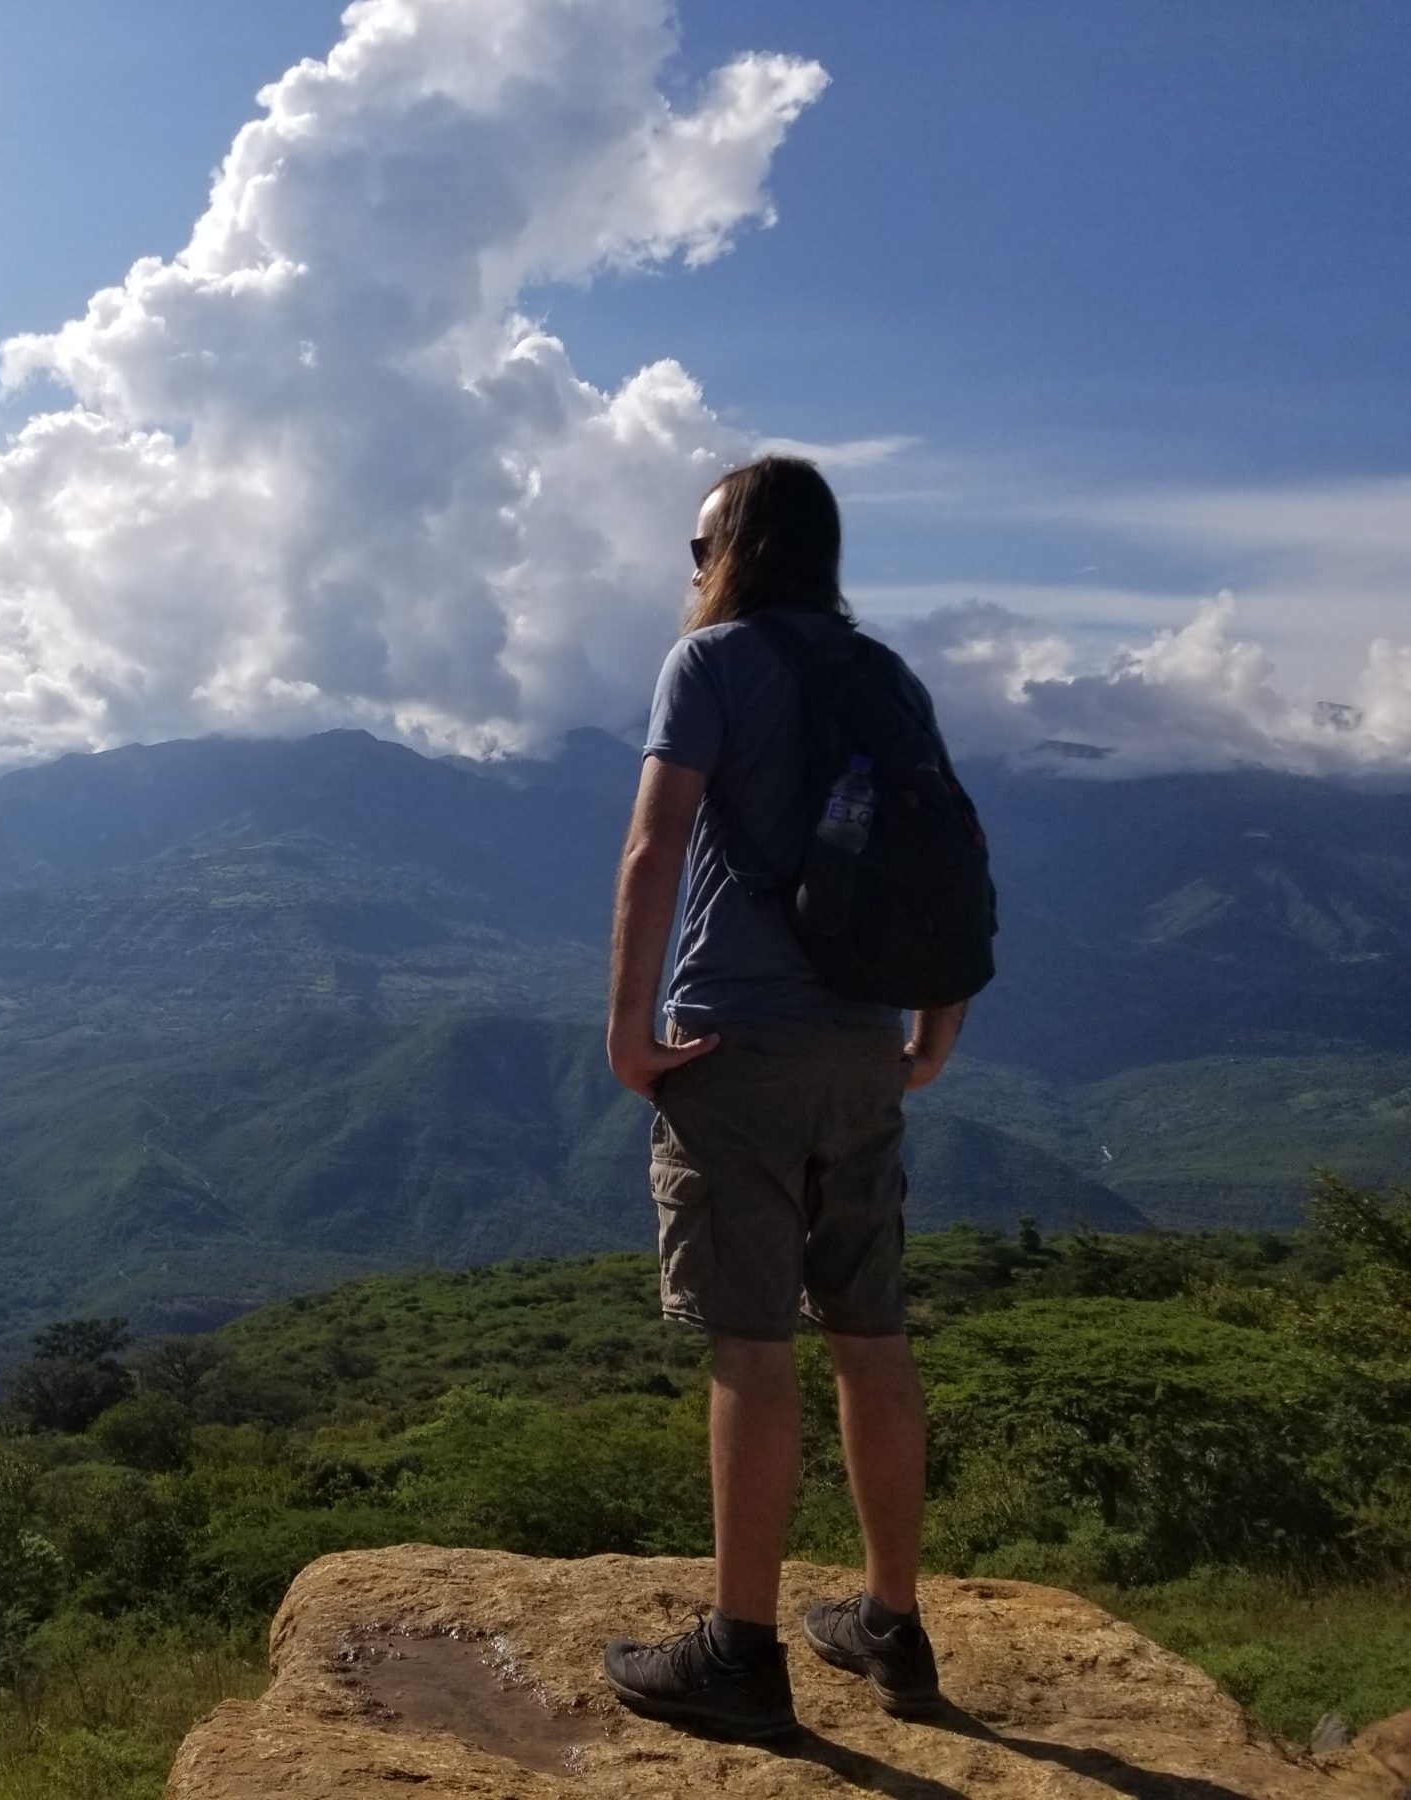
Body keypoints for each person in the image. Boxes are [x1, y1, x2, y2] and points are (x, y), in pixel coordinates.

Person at [598, 455, 965, 1741]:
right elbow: (947, 857)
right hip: (868, 1046)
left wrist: (629, 1030)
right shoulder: (889, 679)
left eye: (701, 550)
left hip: (735, 1051)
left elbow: (654, 847)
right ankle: (890, 1624)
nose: (691, 574)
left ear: (740, 551)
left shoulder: (710, 664)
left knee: (752, 1344)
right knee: (872, 1334)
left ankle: (742, 1654)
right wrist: (933, 1027)